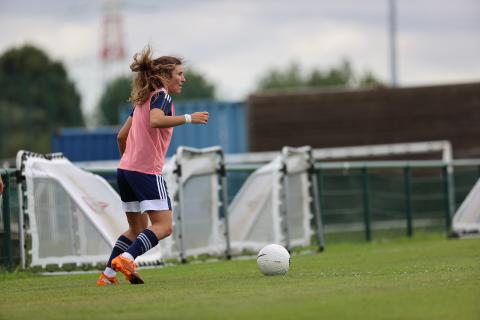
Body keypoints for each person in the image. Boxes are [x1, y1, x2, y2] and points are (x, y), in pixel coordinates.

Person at [96, 46, 209, 286]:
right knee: (164, 227)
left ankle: (107, 277)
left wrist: (130, 162)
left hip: (125, 170)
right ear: (165, 76)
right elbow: (156, 120)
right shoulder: (162, 96)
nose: (183, 78)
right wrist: (190, 118)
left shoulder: (141, 100)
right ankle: (127, 258)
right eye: (179, 74)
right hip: (145, 172)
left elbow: (121, 137)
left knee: (136, 230)